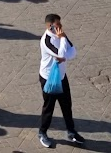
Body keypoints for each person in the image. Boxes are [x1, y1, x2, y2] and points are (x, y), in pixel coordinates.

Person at [37, 13, 85, 149]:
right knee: (49, 108)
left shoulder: (62, 35)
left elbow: (73, 52)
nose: (61, 27)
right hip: (49, 79)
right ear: (50, 26)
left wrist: (64, 54)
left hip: (62, 77)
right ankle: (42, 133)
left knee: (67, 105)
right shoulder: (46, 41)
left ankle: (71, 131)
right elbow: (61, 53)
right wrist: (63, 50)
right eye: (58, 25)